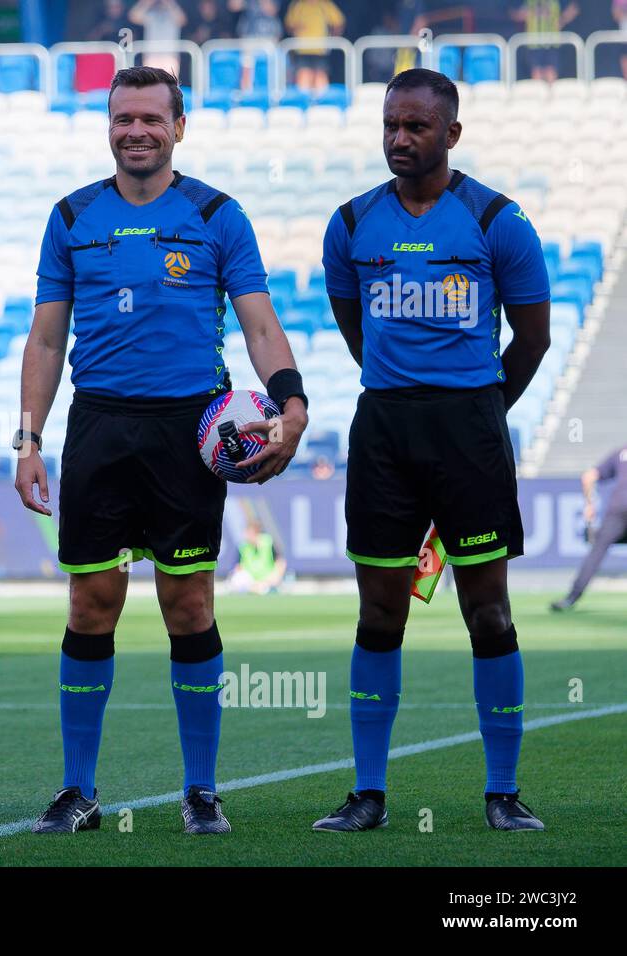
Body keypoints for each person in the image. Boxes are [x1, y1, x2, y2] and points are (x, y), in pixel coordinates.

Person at [17, 66, 308, 834]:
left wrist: (292, 403)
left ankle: (201, 790)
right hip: (100, 428)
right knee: (92, 603)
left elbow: (258, 324)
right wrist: (28, 439)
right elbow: (47, 338)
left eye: (151, 118)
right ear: (108, 126)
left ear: (179, 126)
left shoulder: (217, 214)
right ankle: (77, 789)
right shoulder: (72, 214)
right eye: (123, 119)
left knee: (189, 603)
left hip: (189, 432)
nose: (136, 131)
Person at [318, 69, 552, 833]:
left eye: (416, 127)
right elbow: (357, 332)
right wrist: (405, 391)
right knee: (381, 610)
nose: (399, 139)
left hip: (471, 435)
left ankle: (503, 792)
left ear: (451, 134)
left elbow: (534, 336)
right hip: (384, 430)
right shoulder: (351, 224)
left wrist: (481, 408)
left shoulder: (497, 221)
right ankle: (368, 794)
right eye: (390, 124)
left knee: (487, 612)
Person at [551, 445, 627, 611]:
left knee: (596, 552)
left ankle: (571, 598)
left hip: (618, 510)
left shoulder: (621, 452)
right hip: (619, 510)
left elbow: (588, 477)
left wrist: (589, 506)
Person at [284, 0, 345, 92]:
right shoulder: (298, 5)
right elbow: (289, 25)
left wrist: (331, 38)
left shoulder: (325, 4)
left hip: (320, 50)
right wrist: (298, 29)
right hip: (302, 50)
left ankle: (322, 104)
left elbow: (339, 23)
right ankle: (304, 104)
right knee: (303, 77)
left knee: (321, 78)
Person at [510, 1, 580, 82]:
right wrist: (526, 14)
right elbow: (513, 12)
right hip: (534, 43)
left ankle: (550, 93)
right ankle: (539, 93)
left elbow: (574, 8)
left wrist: (561, 20)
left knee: (551, 73)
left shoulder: (556, 2)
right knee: (537, 74)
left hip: (552, 42)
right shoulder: (530, 2)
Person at [229, 0, 283, 91]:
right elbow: (233, 6)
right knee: (246, 63)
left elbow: (271, 10)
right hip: (249, 37)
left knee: (274, 65)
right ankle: (246, 92)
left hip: (268, 38)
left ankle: (274, 92)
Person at [128, 0, 187, 76]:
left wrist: (169, 3)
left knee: (170, 84)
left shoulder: (174, 15)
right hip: (151, 55)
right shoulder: (151, 14)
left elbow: (182, 20)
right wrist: (147, 2)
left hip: (170, 56)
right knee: (151, 82)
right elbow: (134, 16)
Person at [228, 520, 287, 593]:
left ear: (257, 533)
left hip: (267, 579)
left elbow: (281, 562)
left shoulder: (268, 542)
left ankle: (265, 588)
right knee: (237, 579)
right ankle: (256, 589)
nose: (246, 536)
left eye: (249, 533)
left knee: (275, 578)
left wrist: (275, 575)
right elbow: (237, 566)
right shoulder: (243, 546)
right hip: (250, 580)